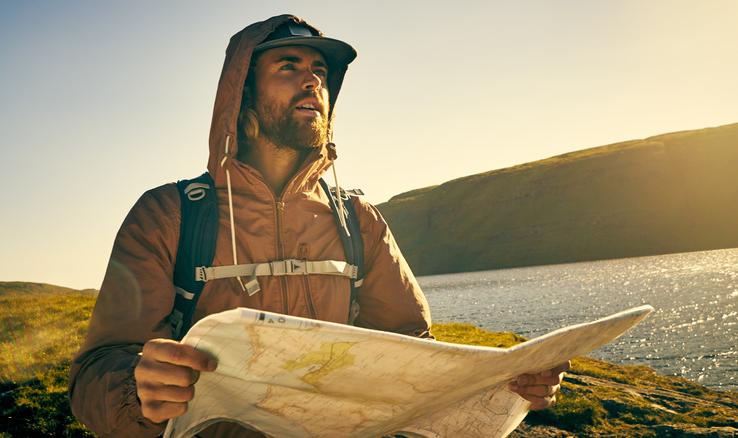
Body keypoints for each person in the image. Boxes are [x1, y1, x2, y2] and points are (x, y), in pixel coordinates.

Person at [68, 14, 569, 438]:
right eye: (289, 66)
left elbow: (414, 355)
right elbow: (95, 372)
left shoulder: (359, 220)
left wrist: (500, 382)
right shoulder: (168, 214)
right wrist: (137, 387)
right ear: (240, 94)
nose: (313, 81)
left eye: (320, 71)